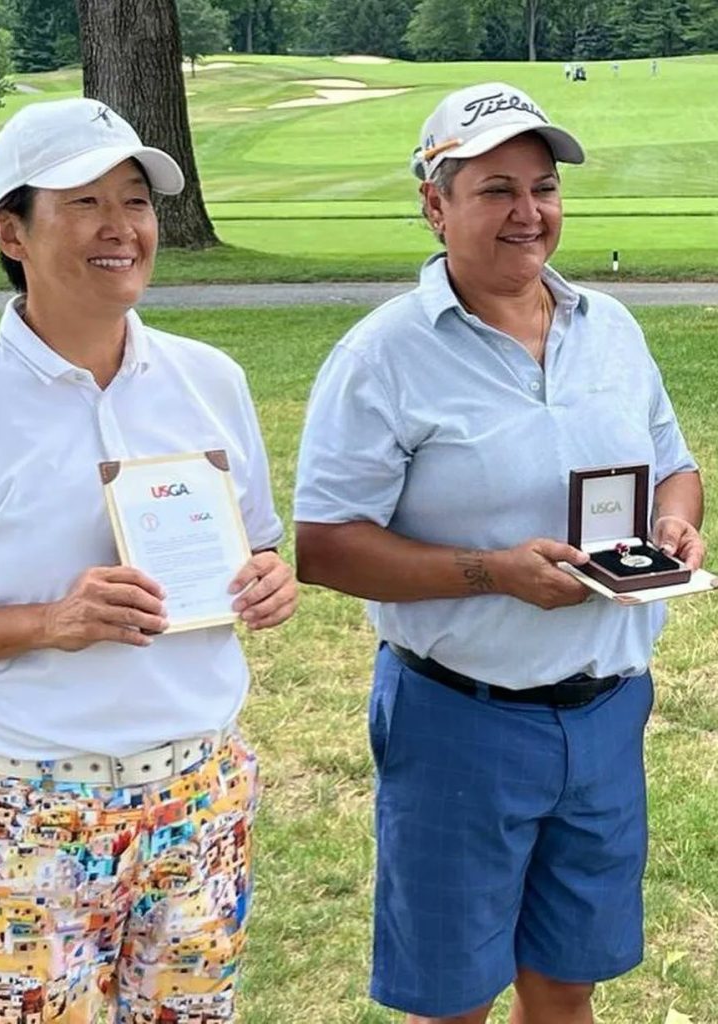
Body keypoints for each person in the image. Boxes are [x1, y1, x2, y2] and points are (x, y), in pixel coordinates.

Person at [0, 98, 297, 1024]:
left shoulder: (211, 379)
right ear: (10, 231)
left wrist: (269, 579)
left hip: (200, 792)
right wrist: (48, 623)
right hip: (22, 809)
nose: (123, 228)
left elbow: (255, 543)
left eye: (136, 200)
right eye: (84, 202)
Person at [294, 81, 704, 1024]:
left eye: (544, 187)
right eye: (495, 189)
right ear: (435, 205)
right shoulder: (381, 355)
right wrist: (490, 573)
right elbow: (325, 546)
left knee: (567, 982)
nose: (530, 213)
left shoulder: (612, 328)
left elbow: (675, 466)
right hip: (459, 720)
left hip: (607, 710)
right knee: (454, 996)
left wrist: (678, 524)